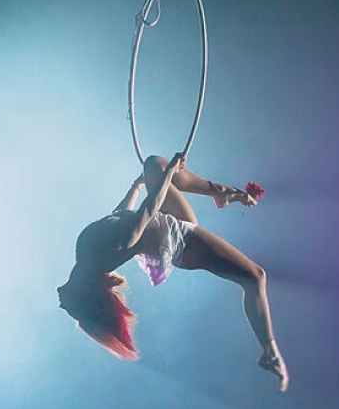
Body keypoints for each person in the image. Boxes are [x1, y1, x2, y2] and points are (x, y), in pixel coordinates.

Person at [58, 153, 289, 391]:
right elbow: (147, 211)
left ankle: (222, 194)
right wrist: (169, 172)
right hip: (180, 244)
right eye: (69, 308)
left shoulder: (85, 252)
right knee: (255, 277)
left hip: (166, 224)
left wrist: (137, 185)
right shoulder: (107, 253)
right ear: (81, 294)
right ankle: (269, 351)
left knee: (153, 165)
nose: (60, 305)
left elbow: (118, 216)